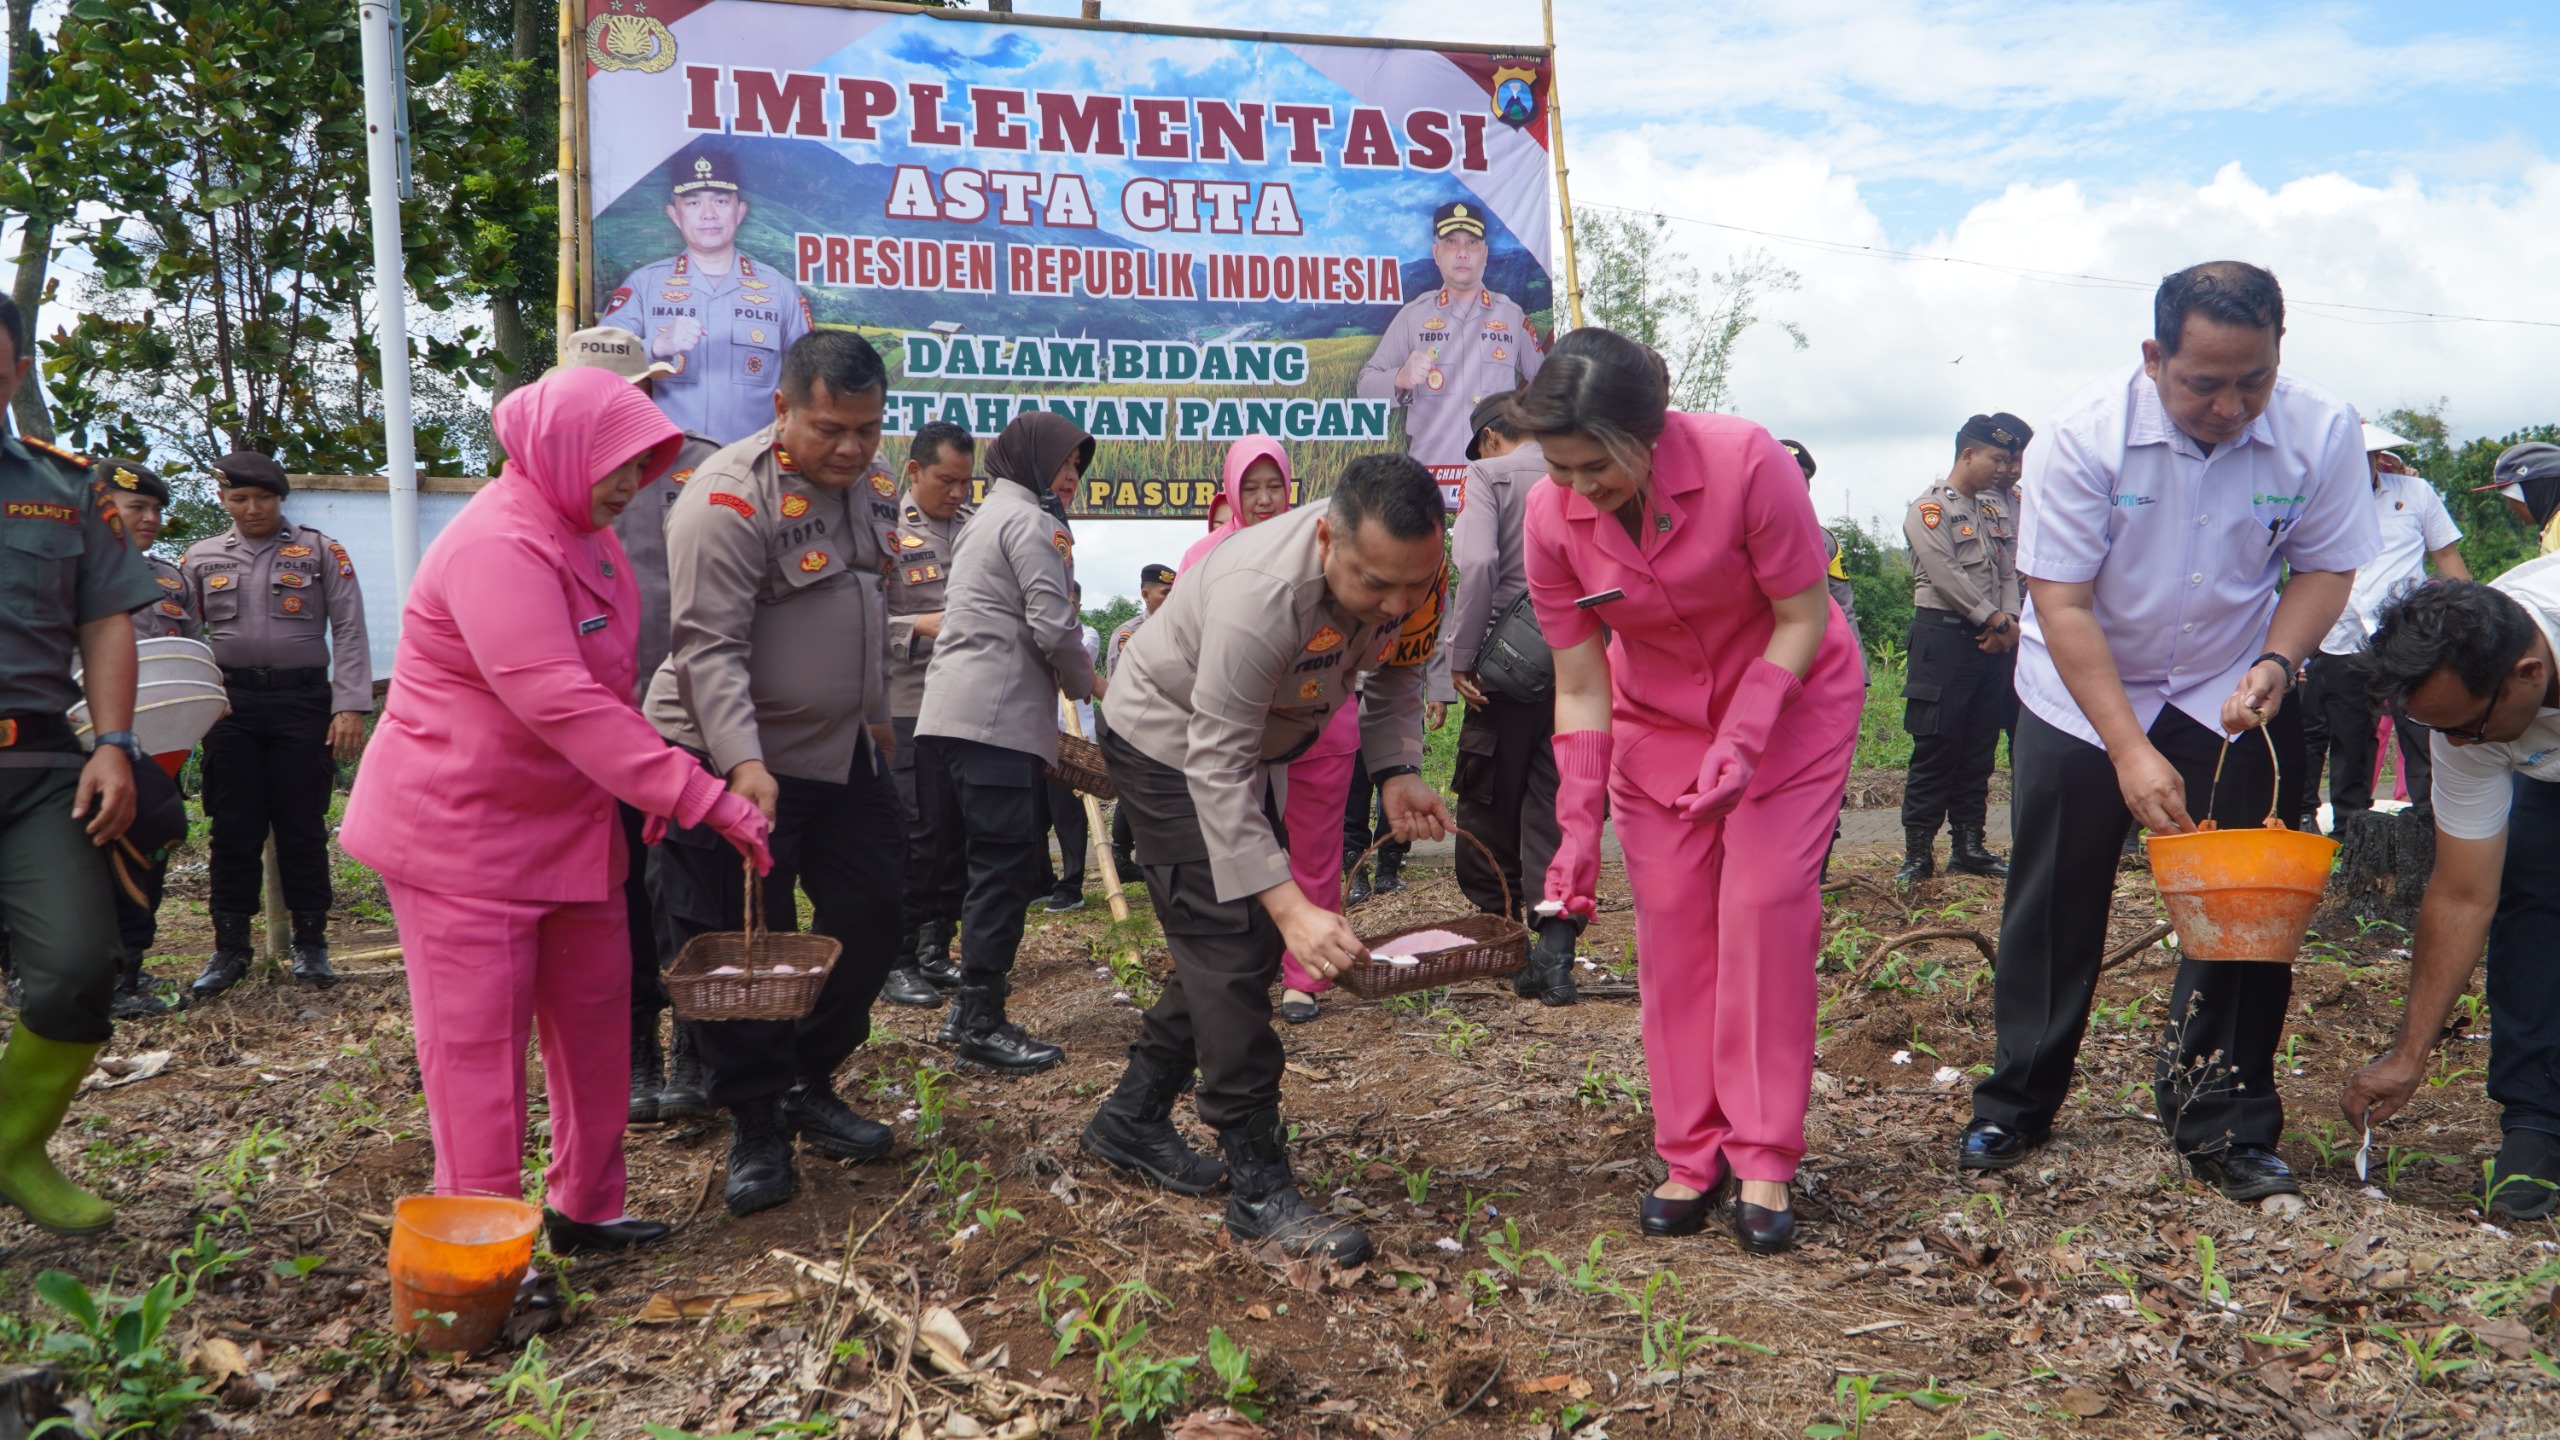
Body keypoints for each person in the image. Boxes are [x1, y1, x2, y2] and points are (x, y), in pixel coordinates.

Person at [1961, 262, 2379, 1204]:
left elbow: (2322, 570)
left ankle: (2221, 1117)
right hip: (2078, 694)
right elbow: (2061, 604)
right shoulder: (2083, 435)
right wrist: (2126, 749)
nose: (2231, 406)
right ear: (2154, 357)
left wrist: (2276, 663)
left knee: (2242, 907)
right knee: (2056, 898)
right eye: (2204, 383)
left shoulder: (2321, 428)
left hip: (2227, 689)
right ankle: (2015, 1103)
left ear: (2281, 354)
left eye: (2254, 381)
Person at [340, 367, 771, 1253]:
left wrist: (643, 787)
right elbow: (560, 700)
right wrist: (697, 794)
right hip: (462, 834)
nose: (632, 482)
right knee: (477, 1058)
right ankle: (484, 1246)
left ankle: (587, 1206)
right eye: (618, 463)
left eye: (644, 463)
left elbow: (613, 688)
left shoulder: (591, 535)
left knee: (595, 1021)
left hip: (567, 828)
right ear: (561, 451)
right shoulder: (497, 544)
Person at [1519, 328, 1862, 1255]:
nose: (1580, 488)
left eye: (1599, 466)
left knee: (1763, 902)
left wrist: (1747, 737)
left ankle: (1763, 1155)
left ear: (1651, 433)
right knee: (1671, 917)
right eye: (1561, 468)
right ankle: (1689, 1150)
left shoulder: (1745, 462)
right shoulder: (1551, 519)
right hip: (1658, 722)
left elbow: (1802, 616)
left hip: (1786, 705)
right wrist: (1576, 826)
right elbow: (1583, 682)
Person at [1081, 451, 1452, 1264]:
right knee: (1231, 936)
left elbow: (1398, 674)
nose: (1395, 603)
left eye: (1412, 585)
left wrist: (1395, 772)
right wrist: (1290, 908)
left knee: (1236, 939)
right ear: (1326, 541)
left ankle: (1131, 1119)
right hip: (1167, 739)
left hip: (1249, 747)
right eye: (1374, 586)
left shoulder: (1419, 568)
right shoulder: (1262, 594)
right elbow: (1213, 763)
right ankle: (1258, 1188)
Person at [644, 330, 906, 1217]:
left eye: (868, 429)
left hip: (839, 755)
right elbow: (707, 651)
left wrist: (877, 723)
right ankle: (755, 1121)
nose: (852, 448)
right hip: (728, 758)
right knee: (741, 942)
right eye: (831, 428)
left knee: (875, 910)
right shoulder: (724, 499)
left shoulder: (868, 486)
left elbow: (867, 608)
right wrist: (744, 766)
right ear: (782, 409)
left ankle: (808, 1078)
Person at [0, 340, 156, 1233]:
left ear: (16, 370)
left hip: (36, 770)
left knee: (75, 968)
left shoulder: (66, 486)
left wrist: (116, 744)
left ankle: (14, 1147)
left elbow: (105, 623)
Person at [555, 323, 729, 1127]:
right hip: (589, 726)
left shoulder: (701, 463)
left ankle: (697, 1047)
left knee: (689, 889)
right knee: (613, 891)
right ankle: (633, 1051)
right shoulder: (543, 478)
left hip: (687, 717)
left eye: (637, 389)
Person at [2343, 574, 2560, 1217]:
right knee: (2531, 900)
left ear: (2527, 674)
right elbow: (2464, 893)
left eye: (2466, 727)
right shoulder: (2466, 708)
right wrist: (2410, 1054)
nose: (2456, 744)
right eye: (2442, 730)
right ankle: (2538, 1122)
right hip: (2544, 774)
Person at [915, 411, 1098, 1073]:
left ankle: (969, 1005)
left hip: (949, 716)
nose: (1072, 477)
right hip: (993, 721)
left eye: (1079, 466)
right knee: (1004, 869)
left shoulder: (984, 520)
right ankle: (980, 1018)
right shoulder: (1031, 523)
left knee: (971, 864)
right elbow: (1053, 628)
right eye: (1064, 463)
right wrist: (1094, 686)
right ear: (1030, 460)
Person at [1180, 439, 1364, 1027]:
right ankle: (1240, 966)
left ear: (1292, 489)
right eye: (1250, 487)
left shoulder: (1322, 544)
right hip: (1237, 725)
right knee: (1234, 840)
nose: (1263, 500)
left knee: (1315, 846)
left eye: (1274, 486)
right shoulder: (1203, 554)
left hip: (1319, 719)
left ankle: (1309, 974)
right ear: (1229, 491)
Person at [182, 452, 371, 999]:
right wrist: (195, 700)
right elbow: (185, 634)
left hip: (302, 702)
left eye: (262, 498)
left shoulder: (318, 551)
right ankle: (230, 950)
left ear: (279, 498)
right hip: (229, 705)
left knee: (303, 826)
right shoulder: (200, 557)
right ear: (223, 500)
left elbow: (351, 630)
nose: (252, 508)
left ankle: (312, 947)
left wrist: (350, 704)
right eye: (239, 498)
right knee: (232, 826)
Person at [2297, 425, 2467, 831]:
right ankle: (2349, 830)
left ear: (2378, 458)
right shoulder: (2317, 501)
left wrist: (2467, 618)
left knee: (2420, 730)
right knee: (2350, 737)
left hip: (2407, 636)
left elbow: (2445, 554)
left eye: (2369, 456)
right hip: (2341, 635)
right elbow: (2302, 571)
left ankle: (2429, 823)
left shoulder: (2416, 493)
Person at [1897, 415, 2031, 884]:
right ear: (1968, 454)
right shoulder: (1930, 509)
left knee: (1979, 747)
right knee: (1936, 747)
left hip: (1992, 643)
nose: (2003, 467)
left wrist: (2009, 622)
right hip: (1943, 640)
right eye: (1996, 458)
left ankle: (1969, 846)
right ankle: (1917, 852)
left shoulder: (1995, 511)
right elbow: (1945, 574)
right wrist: (1993, 619)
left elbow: (2011, 573)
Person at [599, 150, 813, 445]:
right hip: (669, 471)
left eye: (721, 201)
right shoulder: (644, 285)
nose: (708, 214)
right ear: (675, 214)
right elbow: (597, 362)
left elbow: (811, 380)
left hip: (755, 473)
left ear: (740, 211)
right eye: (694, 202)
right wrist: (656, 345)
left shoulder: (780, 290)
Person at [1446, 391, 1562, 924]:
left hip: (1506, 667)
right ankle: (1556, 944)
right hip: (1579, 664)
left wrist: (1464, 655)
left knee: (1486, 801)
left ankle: (1501, 931)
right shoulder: (1572, 470)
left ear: (1490, 437)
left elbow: (1478, 562)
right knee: (1552, 806)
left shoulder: (1489, 476)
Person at [880, 421, 976, 1010]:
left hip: (965, 703)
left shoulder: (977, 531)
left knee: (957, 831)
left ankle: (939, 945)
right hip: (908, 703)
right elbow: (860, 617)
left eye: (967, 482)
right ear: (914, 473)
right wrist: (917, 625)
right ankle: (898, 955)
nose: (959, 493)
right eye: (948, 480)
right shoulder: (886, 530)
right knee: (915, 831)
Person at [96, 459, 197, 1019]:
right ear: (103, 507)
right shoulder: (66, 572)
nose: (152, 519)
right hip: (81, 744)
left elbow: (192, 648)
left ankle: (129, 966)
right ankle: (75, 972)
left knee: (149, 844)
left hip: (159, 744)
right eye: (138, 507)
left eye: (157, 509)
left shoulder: (168, 577)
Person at [1356, 202, 1546, 468]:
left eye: (1472, 243)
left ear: (1485, 253)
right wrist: (1400, 378)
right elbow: (1365, 388)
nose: (1462, 253)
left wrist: (1520, 420)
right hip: (1431, 480)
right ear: (1436, 253)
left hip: (1498, 477)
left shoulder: (1512, 317)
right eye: (1451, 242)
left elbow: (1547, 386)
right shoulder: (1413, 316)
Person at [1105, 563, 1176, 878]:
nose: (1172, 598)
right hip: (1135, 725)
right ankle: (1121, 857)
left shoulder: (1180, 626)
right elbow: (1122, 686)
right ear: (1145, 594)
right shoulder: (1128, 634)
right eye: (1165, 593)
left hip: (1173, 726)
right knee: (1134, 791)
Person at [1036, 589, 1102, 914]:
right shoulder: (1032, 632)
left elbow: (1064, 660)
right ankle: (1040, 882)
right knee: (1033, 815)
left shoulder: (1087, 635)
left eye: (1068, 602)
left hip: (1071, 743)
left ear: (1077, 603)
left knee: (1068, 816)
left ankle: (1071, 886)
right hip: (1033, 735)